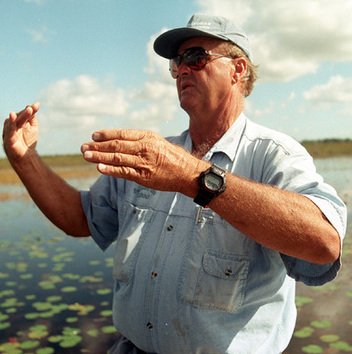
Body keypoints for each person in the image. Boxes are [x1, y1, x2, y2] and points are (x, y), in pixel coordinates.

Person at [2, 13, 347, 354]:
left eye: (196, 57)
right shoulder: (153, 157)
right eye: (176, 62)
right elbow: (80, 218)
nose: (181, 68)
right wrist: (24, 158)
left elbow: (323, 242)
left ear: (238, 70)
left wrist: (193, 178)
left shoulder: (275, 155)